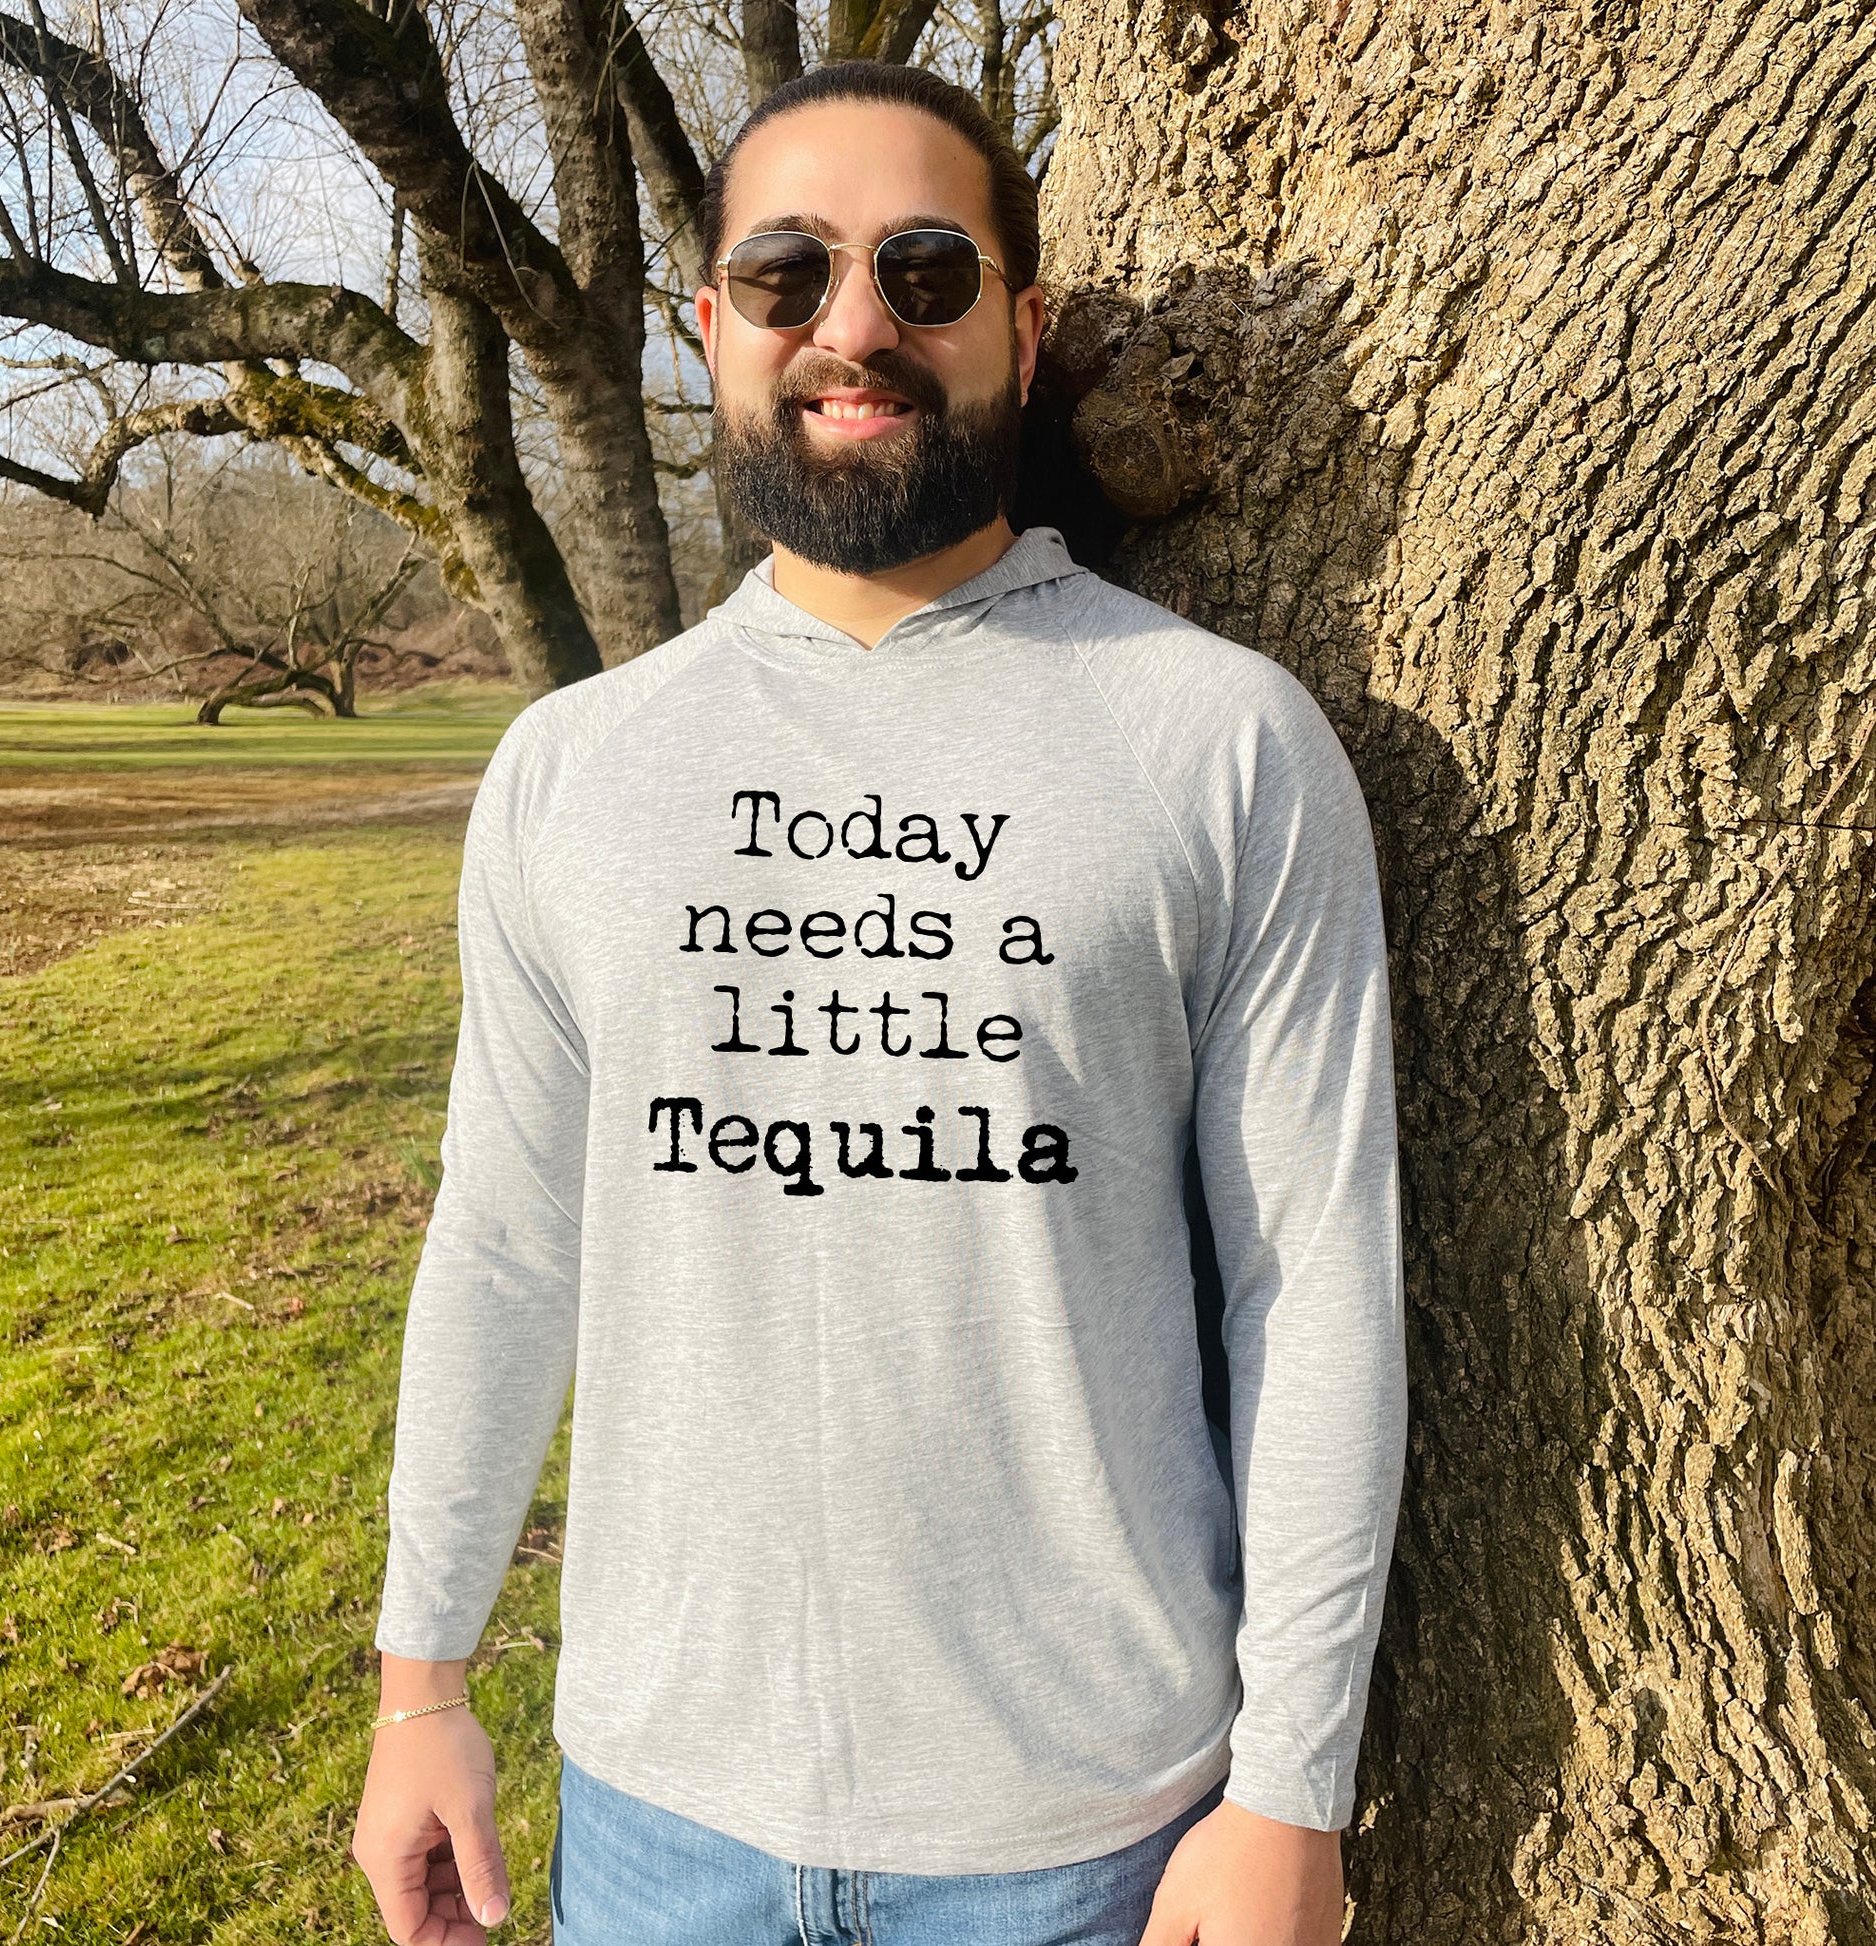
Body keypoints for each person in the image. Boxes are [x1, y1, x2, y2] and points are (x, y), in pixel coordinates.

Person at [351, 58, 1407, 1946]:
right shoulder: (572, 769)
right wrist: (421, 1682)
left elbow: (1312, 1277)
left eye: (924, 270)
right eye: (786, 275)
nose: (854, 326)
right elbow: (504, 1248)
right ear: (711, 329)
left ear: (1022, 320)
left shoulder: (1220, 743)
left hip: (1094, 1826)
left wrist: (1289, 1788)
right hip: (654, 1812)